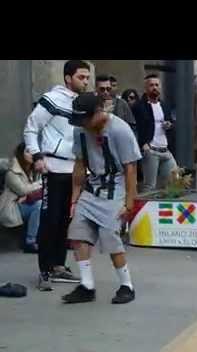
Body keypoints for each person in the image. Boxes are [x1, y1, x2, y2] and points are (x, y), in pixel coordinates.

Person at [62, 92, 139, 304]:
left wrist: (129, 203)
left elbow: (130, 168)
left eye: (85, 119)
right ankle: (87, 286)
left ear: (98, 112)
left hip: (115, 189)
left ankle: (126, 285)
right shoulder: (80, 130)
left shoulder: (120, 129)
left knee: (110, 238)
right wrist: (74, 199)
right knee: (78, 233)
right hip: (92, 188)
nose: (83, 124)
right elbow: (79, 164)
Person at [24, 59, 90, 291]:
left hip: (74, 169)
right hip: (52, 168)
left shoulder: (82, 102)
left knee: (65, 221)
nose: (85, 81)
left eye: (87, 77)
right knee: (49, 220)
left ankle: (58, 266)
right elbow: (32, 127)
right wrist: (37, 155)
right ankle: (44, 270)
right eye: (81, 77)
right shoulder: (51, 100)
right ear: (68, 78)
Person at [131, 73, 177, 192]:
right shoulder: (138, 106)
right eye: (151, 85)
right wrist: (142, 145)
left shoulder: (165, 105)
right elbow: (135, 128)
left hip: (165, 149)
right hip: (151, 150)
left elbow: (171, 122)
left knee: (175, 180)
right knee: (149, 185)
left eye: (157, 85)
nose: (155, 87)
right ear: (146, 88)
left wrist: (169, 124)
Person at [0, 143, 43, 253]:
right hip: (12, 207)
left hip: (25, 203)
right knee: (38, 206)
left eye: (32, 152)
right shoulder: (12, 172)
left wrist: (28, 195)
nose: (31, 155)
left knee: (45, 204)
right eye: (28, 152)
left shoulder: (34, 170)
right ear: (21, 154)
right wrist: (38, 184)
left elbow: (34, 190)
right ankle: (30, 242)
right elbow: (22, 190)